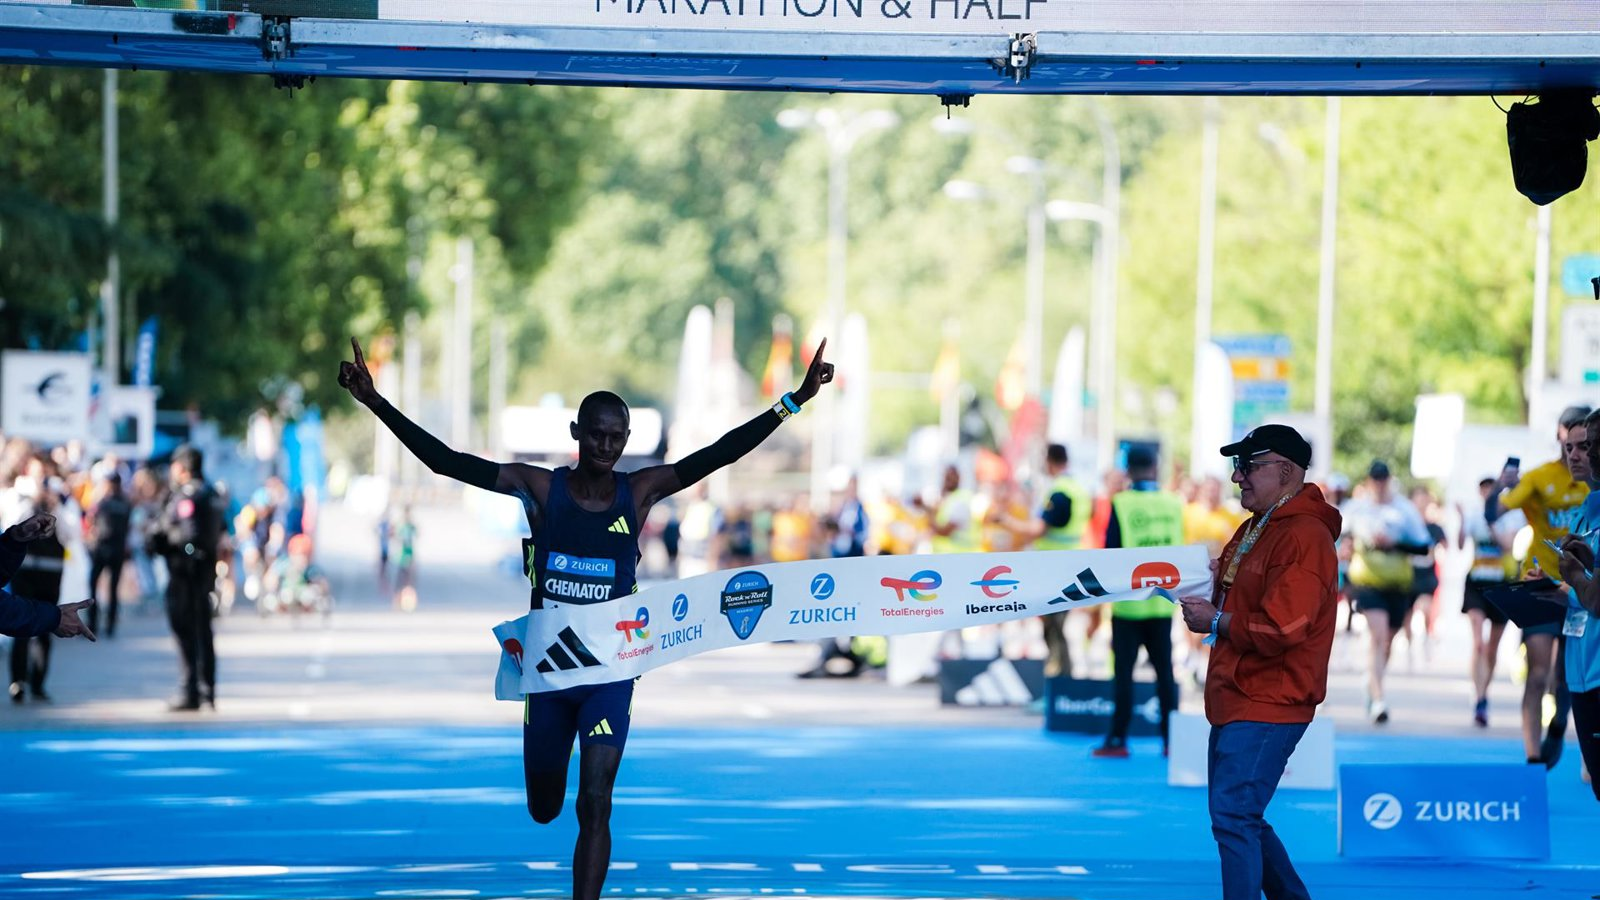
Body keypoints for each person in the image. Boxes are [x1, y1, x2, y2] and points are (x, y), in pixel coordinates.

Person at [339, 335, 833, 900]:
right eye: (594, 433)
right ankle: (546, 785)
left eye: (615, 436)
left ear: (627, 440)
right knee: (546, 808)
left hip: (609, 672)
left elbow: (718, 454)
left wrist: (794, 399)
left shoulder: (640, 492)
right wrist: (375, 403)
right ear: (576, 433)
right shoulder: (541, 488)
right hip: (547, 678)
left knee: (596, 799)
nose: (604, 444)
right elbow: (448, 463)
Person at [1177, 424, 1340, 900]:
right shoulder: (1260, 526)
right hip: (1243, 691)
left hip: (1271, 695)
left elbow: (1286, 628)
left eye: (1248, 466)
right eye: (1237, 466)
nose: (1237, 478)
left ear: (1285, 471)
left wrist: (1216, 619)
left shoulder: (1303, 535)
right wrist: (1202, 586)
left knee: (1234, 815)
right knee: (1239, 813)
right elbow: (1244, 599)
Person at [1492, 405, 1591, 765]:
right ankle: (1533, 757)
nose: (1576, 451)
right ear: (1560, 435)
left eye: (1585, 443)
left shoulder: (1591, 485)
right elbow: (1496, 512)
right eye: (1571, 439)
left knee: (1566, 676)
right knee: (1538, 673)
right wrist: (1499, 489)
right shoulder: (1539, 478)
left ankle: (1560, 723)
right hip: (1542, 584)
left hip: (1581, 591)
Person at [1093, 446, 1184, 758]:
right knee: (1165, 675)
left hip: (1129, 603)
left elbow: (1111, 551)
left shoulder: (1121, 502)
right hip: (1161, 600)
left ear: (1128, 471)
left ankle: (1118, 739)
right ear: (1155, 467)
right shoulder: (1173, 503)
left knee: (1123, 674)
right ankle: (1171, 740)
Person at [1341, 460, 1432, 724]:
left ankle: (1372, 681)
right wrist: (1346, 547)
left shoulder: (1404, 509)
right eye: (1374, 479)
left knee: (1388, 642)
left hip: (1398, 584)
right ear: (1369, 481)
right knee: (1377, 636)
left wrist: (1395, 544)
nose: (1379, 485)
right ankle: (1379, 699)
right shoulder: (1357, 509)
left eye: (1383, 479)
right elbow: (1342, 535)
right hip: (1367, 583)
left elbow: (1424, 547)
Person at [148, 444, 226, 712]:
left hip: (186, 574)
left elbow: (188, 536)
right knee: (202, 631)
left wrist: (163, 537)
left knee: (187, 633)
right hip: (203, 574)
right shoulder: (212, 493)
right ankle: (206, 690)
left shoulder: (188, 496)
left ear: (182, 468)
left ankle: (191, 689)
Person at [1556, 407, 1600, 797]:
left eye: (1586, 447)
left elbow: (1596, 598)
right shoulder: (1583, 514)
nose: (1576, 455)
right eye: (1569, 447)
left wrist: (1573, 576)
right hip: (1581, 664)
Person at [1027, 444, 1089, 680]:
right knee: (1056, 628)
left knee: (1054, 629)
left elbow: (1039, 529)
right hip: (1069, 565)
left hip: (1054, 571)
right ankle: (1063, 680)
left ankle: (1058, 682)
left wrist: (1007, 522)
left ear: (1049, 460)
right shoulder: (1077, 488)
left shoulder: (1060, 491)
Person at [1461, 477, 1518, 726]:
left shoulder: (1511, 516)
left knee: (1493, 647)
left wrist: (1492, 522)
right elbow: (1461, 544)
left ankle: (1485, 692)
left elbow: (1508, 546)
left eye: (1491, 491)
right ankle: (1478, 695)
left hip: (1502, 584)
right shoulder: (1474, 515)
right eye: (1483, 491)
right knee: (1478, 644)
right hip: (1476, 582)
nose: (1487, 495)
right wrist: (1462, 521)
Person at [0, 512, 95, 642]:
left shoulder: (61, 508)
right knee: (22, 644)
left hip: (49, 580)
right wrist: (52, 618)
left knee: (42, 641)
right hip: (25, 581)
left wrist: (14, 540)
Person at [86, 471, 133, 638]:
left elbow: (91, 519)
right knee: (113, 589)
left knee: (94, 585)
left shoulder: (103, 502)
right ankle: (110, 625)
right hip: (116, 549)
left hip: (103, 547)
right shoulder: (126, 503)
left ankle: (94, 623)